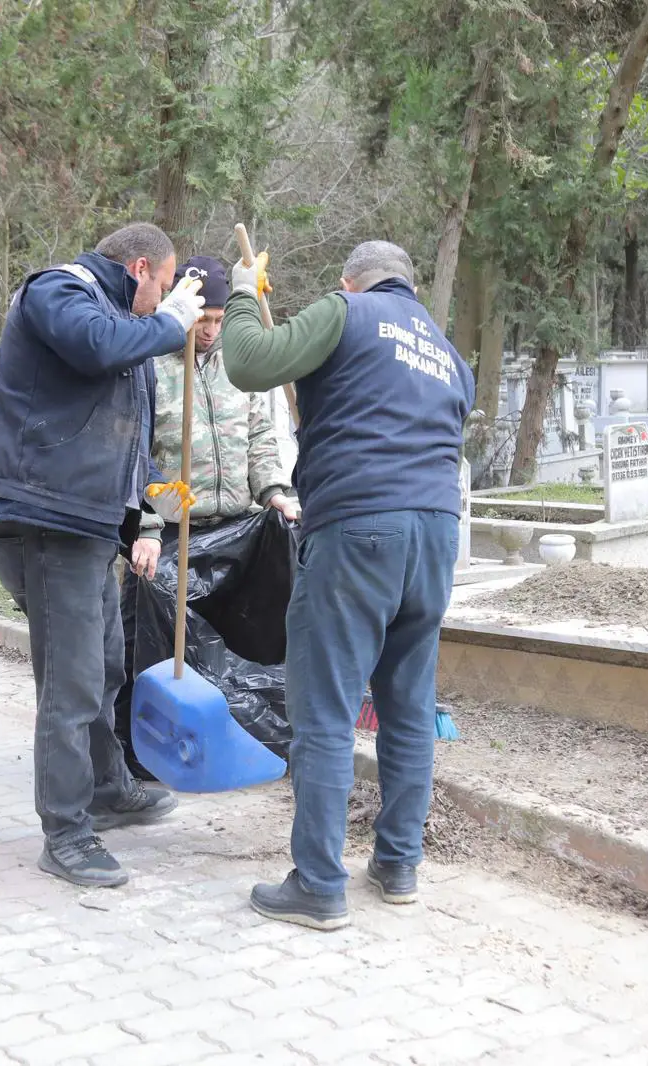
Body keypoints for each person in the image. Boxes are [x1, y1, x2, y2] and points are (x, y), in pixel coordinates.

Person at [219, 240, 474, 930]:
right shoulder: (447, 352)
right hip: (435, 535)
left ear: (349, 280)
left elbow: (248, 362)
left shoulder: (346, 312)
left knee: (326, 711)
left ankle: (318, 885)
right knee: (408, 709)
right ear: (409, 285)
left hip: (360, 529)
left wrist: (242, 291)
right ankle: (398, 866)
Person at [0, 222, 207, 889]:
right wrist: (170, 323)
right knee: (70, 686)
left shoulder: (120, 327)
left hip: (91, 527)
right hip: (47, 524)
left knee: (103, 667)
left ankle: (105, 788)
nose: (165, 302)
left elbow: (125, 439)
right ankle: (67, 832)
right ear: (140, 268)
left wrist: (150, 509)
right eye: (164, 286)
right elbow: (95, 346)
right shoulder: (58, 292)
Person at [129, 254, 298, 580]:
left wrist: (272, 491)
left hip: (236, 531)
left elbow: (258, 434)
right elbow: (132, 453)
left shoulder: (234, 365)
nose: (211, 331)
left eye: (219, 320)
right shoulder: (150, 365)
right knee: (152, 613)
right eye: (203, 319)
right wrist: (146, 524)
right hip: (168, 534)